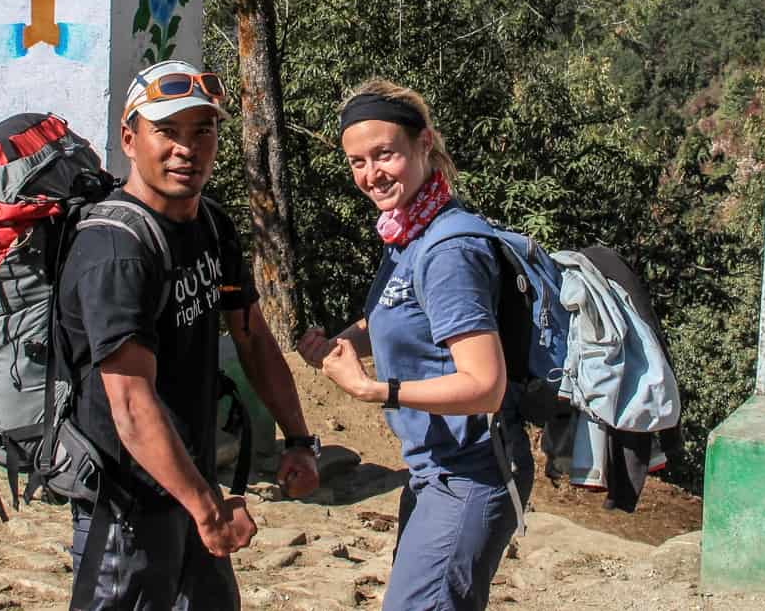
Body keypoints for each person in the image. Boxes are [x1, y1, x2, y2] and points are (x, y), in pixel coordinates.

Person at [58, 59, 321, 610]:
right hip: (127, 501)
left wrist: (298, 438)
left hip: (191, 484)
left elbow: (251, 337)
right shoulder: (115, 252)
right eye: (167, 131)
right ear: (130, 139)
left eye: (203, 131)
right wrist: (208, 510)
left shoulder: (211, 226)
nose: (188, 148)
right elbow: (130, 405)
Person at [297, 78, 534, 611]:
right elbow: (400, 312)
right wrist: (348, 340)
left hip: (472, 471)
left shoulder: (449, 250)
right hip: (435, 470)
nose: (370, 174)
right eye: (357, 161)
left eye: (384, 155)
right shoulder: (408, 233)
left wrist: (373, 389)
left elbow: (485, 386)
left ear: (424, 143)